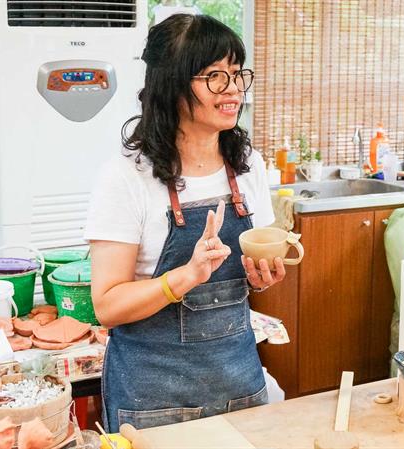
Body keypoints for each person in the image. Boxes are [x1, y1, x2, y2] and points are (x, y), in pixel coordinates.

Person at [84, 14, 287, 432]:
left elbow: (250, 277)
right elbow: (107, 306)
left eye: (236, 74)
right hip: (152, 404)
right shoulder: (125, 177)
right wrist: (184, 277)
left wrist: (261, 276)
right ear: (173, 85)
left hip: (239, 387)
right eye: (214, 76)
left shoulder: (248, 167)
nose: (232, 90)